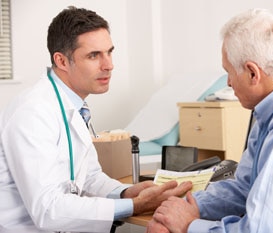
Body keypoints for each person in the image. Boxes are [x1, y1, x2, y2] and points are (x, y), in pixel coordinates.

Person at [146, 8, 273, 233]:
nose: (229, 83)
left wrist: (189, 225)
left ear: (253, 73)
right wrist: (187, 206)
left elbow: (265, 229)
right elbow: (244, 188)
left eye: (229, 72)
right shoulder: (271, 107)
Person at [0, 6, 192, 233]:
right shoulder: (32, 113)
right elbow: (48, 209)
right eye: (94, 55)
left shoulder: (73, 105)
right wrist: (134, 205)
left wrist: (126, 192)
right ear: (62, 61)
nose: (108, 65)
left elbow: (89, 177)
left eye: (109, 52)